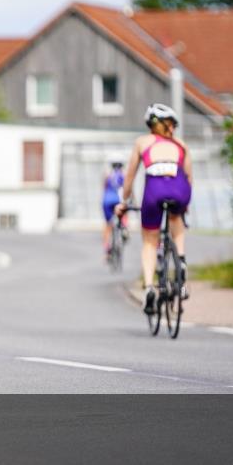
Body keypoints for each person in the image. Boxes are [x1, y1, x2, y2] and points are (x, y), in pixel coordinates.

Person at [115, 103, 192, 314]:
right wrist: (186, 206)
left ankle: (149, 287)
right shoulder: (181, 145)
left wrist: (124, 201)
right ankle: (181, 261)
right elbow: (189, 178)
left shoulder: (142, 142)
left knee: (150, 240)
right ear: (168, 125)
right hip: (180, 189)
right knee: (177, 219)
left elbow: (130, 175)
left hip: (154, 191)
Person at [101, 156, 126, 258]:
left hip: (107, 200)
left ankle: (107, 248)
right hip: (118, 200)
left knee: (107, 224)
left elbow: (103, 188)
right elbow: (128, 189)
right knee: (123, 213)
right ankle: (124, 228)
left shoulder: (107, 175)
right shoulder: (123, 175)